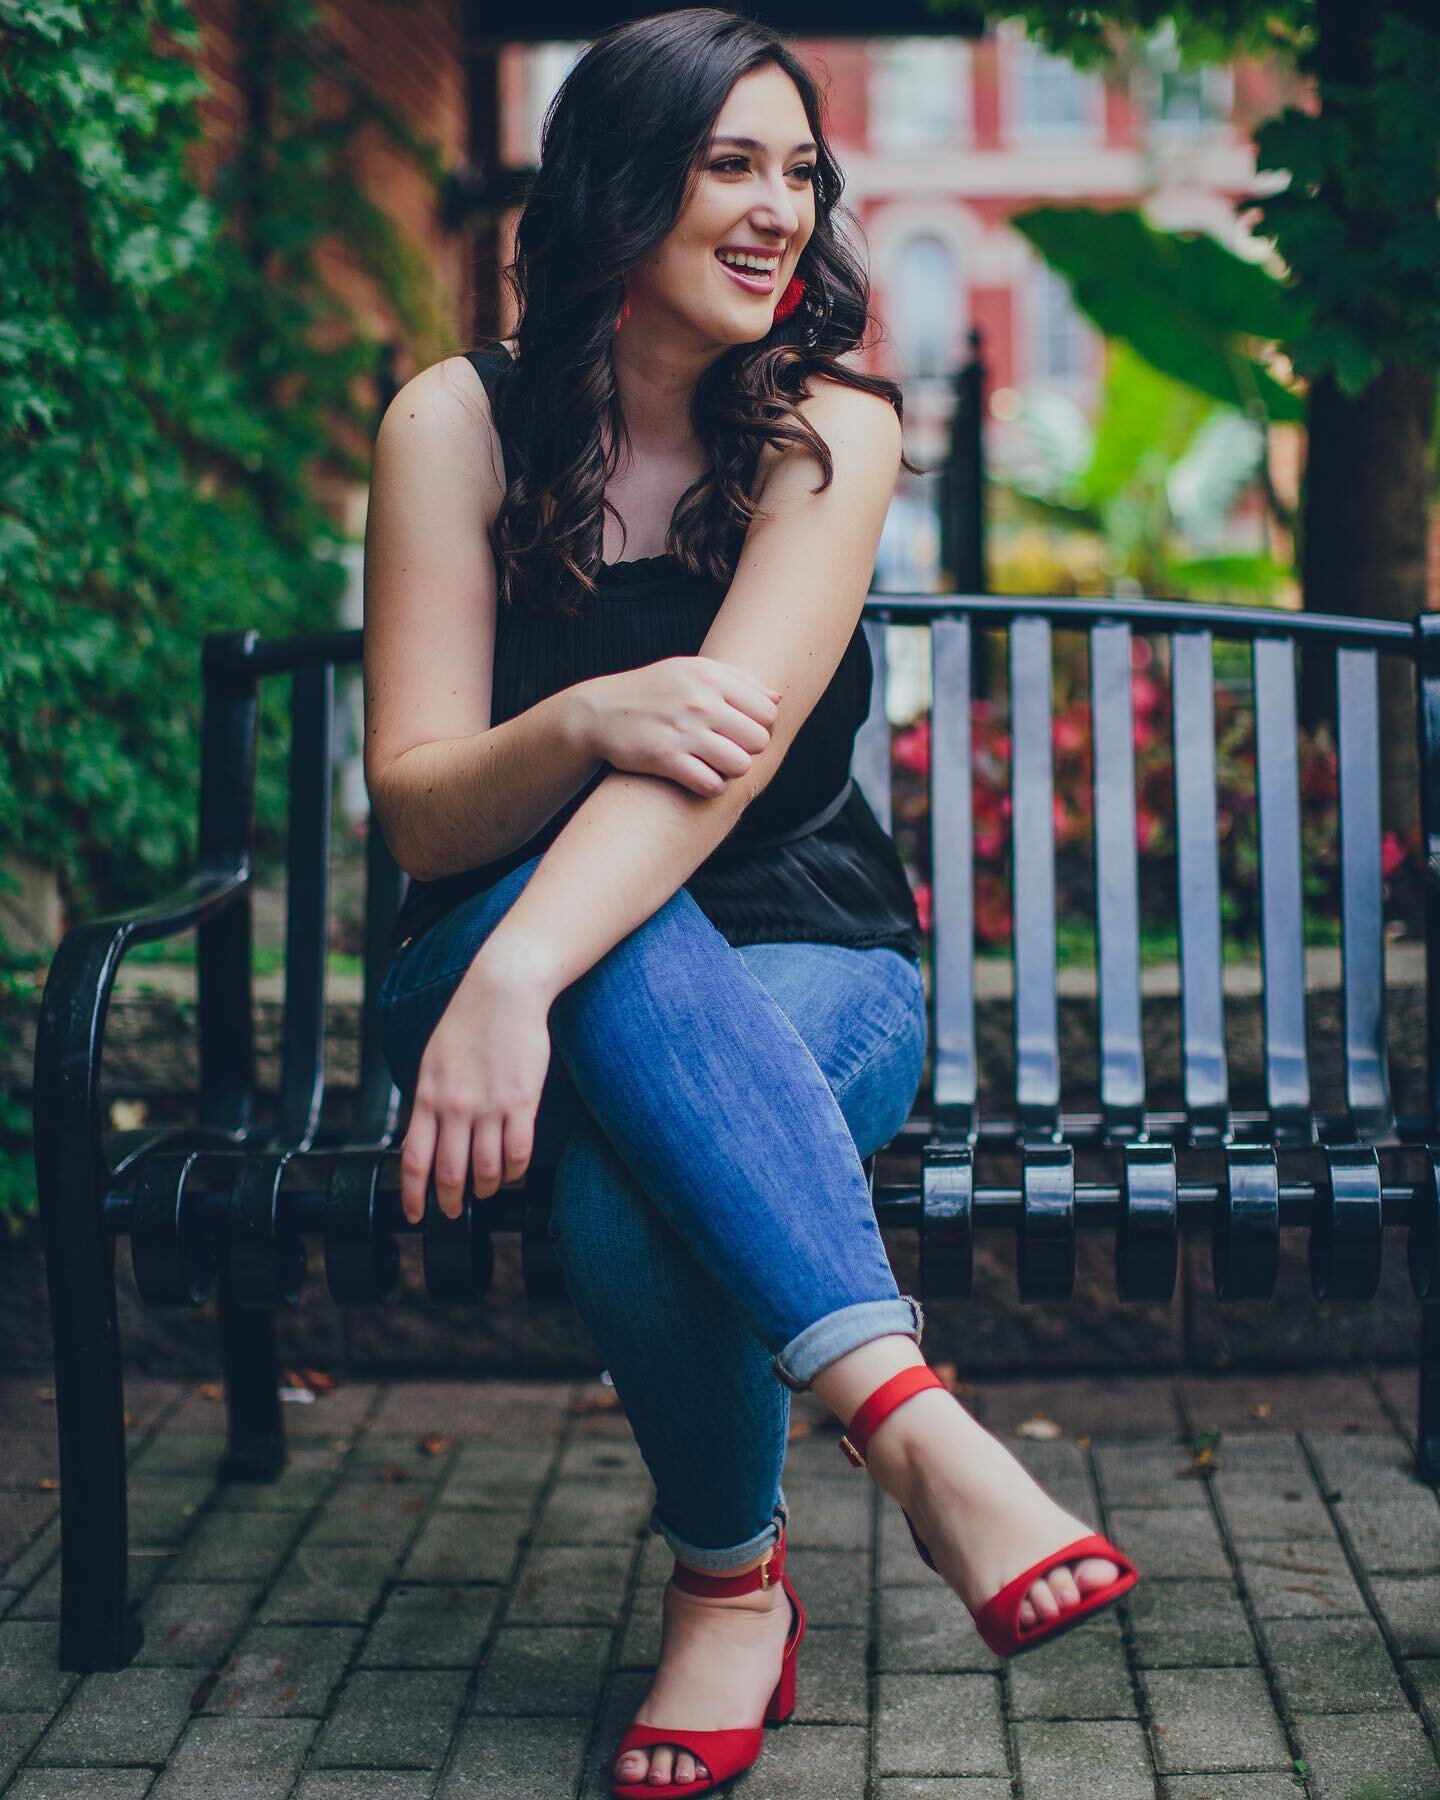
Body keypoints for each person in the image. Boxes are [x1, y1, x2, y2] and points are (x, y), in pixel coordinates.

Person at [362, 11, 1137, 1793]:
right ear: (618, 187)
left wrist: (527, 978)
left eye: (801, 171)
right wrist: (576, 720)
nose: (781, 209)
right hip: (479, 940)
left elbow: (718, 773)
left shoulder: (825, 429)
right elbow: (417, 808)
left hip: (793, 940)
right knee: (628, 1044)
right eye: (731, 164)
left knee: (640, 1182)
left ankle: (732, 1590)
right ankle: (916, 1431)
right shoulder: (454, 424)